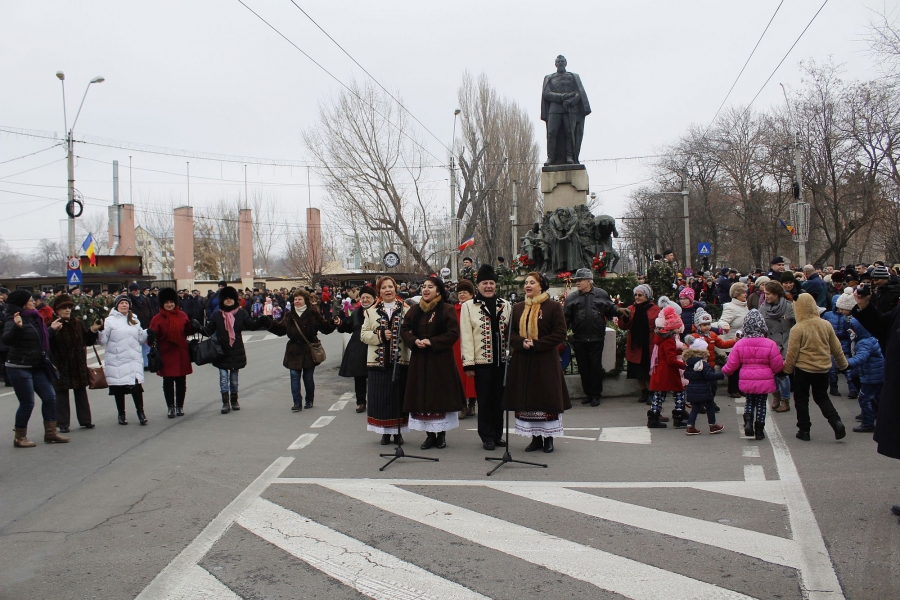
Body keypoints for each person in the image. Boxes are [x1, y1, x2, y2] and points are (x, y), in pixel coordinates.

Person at [504, 272, 571, 453]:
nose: (528, 285)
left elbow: (560, 333)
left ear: (541, 286)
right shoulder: (518, 308)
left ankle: (548, 438)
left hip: (545, 360)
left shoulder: (553, 307)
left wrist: (538, 343)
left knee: (546, 396)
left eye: (532, 282)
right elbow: (509, 333)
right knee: (528, 398)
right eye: (526, 283)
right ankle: (535, 438)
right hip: (523, 360)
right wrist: (521, 342)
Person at [400, 276, 465, 450]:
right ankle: (429, 435)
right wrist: (414, 341)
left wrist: (432, 342)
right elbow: (404, 330)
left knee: (439, 396)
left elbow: (453, 333)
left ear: (438, 290)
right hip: (420, 359)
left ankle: (441, 435)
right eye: (424, 286)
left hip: (440, 360)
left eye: (430, 287)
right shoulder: (414, 310)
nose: (426, 289)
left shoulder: (447, 309)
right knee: (423, 396)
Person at [4, 289, 68, 447]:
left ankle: (51, 433)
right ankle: (20, 437)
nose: (33, 301)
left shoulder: (33, 317)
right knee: (27, 403)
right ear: (23, 303)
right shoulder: (14, 319)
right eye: (30, 299)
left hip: (37, 365)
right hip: (19, 366)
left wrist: (51, 329)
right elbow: (7, 340)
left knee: (50, 397)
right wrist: (17, 327)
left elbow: (38, 336)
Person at [782, 294, 849, 441]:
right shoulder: (825, 324)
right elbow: (836, 348)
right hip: (823, 368)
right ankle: (836, 422)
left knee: (801, 399)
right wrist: (843, 365)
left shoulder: (798, 328)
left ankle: (804, 430)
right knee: (822, 397)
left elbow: (792, 353)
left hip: (803, 369)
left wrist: (786, 370)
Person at [460, 265, 514, 450]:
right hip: (482, 362)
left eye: (491, 283)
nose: (488, 286)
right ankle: (487, 436)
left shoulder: (505, 305)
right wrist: (468, 363)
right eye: (485, 283)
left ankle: (498, 434)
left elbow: (509, 333)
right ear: (478, 285)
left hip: (501, 361)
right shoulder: (469, 306)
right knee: (485, 400)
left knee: (499, 400)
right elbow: (466, 336)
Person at [563, 267, 628, 407]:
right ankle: (588, 393)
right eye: (576, 281)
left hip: (596, 337)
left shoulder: (601, 294)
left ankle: (596, 394)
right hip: (579, 338)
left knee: (595, 366)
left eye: (580, 280)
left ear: (589, 281)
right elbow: (566, 318)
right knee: (583, 367)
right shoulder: (572, 298)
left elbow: (610, 307)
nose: (577, 283)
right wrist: (562, 332)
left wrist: (618, 310)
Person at [360, 276, 410, 445]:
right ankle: (384, 433)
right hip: (377, 362)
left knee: (398, 397)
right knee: (380, 398)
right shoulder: (370, 311)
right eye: (384, 287)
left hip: (400, 361)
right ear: (379, 291)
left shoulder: (407, 309)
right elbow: (363, 335)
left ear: (396, 289)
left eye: (390, 287)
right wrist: (379, 335)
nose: (388, 290)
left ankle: (398, 432)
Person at [722, 309, 784, 440]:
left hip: (746, 379)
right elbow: (777, 364)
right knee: (761, 404)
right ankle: (760, 430)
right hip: (764, 379)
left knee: (749, 402)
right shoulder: (770, 344)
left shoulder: (740, 344)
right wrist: (781, 372)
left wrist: (725, 372)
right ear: (762, 325)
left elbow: (732, 363)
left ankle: (748, 423)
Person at [269, 288, 334, 411]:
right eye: (295, 299)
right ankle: (297, 403)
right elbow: (280, 330)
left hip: (309, 349)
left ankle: (309, 400)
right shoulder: (289, 315)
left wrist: (333, 323)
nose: (297, 301)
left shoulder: (313, 314)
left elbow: (325, 328)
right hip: (293, 350)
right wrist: (269, 324)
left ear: (305, 301)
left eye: (299, 299)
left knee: (308, 377)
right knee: (294, 376)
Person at [204, 286, 265, 414]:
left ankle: (234, 400)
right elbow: (208, 330)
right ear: (222, 301)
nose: (228, 301)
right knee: (223, 377)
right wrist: (197, 327)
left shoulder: (241, 313)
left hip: (236, 349)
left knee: (234, 378)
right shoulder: (217, 314)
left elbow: (251, 325)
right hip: (220, 350)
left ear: (235, 300)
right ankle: (225, 403)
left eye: (231, 298)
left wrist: (261, 321)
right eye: (226, 299)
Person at [49, 294, 102, 432]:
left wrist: (93, 330)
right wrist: (52, 331)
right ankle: (63, 424)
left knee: (81, 392)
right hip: (61, 365)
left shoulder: (77, 323)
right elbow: (46, 344)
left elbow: (87, 340)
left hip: (78, 364)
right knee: (61, 395)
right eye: (64, 308)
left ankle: (85, 420)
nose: (67, 310)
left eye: (69, 307)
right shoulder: (51, 324)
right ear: (57, 310)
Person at [99, 294, 149, 426]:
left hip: (133, 359)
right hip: (117, 360)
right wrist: (99, 330)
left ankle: (141, 413)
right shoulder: (109, 321)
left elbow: (140, 339)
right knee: (119, 389)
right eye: (121, 303)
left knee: (137, 388)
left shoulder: (134, 320)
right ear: (116, 306)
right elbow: (102, 340)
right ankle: (121, 414)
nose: (124, 305)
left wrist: (147, 333)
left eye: (126, 303)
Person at [148, 288, 196, 418]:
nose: (169, 304)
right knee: (168, 382)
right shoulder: (157, 319)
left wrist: (194, 327)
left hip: (181, 352)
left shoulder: (182, 315)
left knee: (181, 381)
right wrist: (151, 337)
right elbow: (150, 340)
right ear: (162, 304)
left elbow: (187, 331)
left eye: (171, 302)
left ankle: (180, 406)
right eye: (166, 302)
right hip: (166, 353)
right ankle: (170, 406)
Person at [336, 285, 376, 413]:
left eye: (368, 297)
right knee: (359, 377)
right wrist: (340, 323)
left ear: (374, 299)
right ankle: (360, 402)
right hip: (358, 348)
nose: (365, 300)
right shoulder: (356, 312)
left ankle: (375, 402)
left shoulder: (378, 311)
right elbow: (348, 326)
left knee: (375, 377)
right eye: (362, 297)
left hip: (373, 347)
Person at [618, 283, 659, 405]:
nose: (637, 297)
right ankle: (644, 391)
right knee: (638, 371)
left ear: (647, 296)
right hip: (636, 345)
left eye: (640, 295)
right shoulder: (631, 309)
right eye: (635, 295)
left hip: (650, 344)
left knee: (650, 369)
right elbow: (623, 326)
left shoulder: (655, 309)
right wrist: (624, 319)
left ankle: (652, 392)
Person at [647, 305, 687, 429]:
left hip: (659, 370)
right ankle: (679, 417)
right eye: (677, 327)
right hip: (668, 372)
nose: (679, 329)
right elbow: (671, 359)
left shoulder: (660, 338)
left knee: (659, 395)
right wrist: (684, 365)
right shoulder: (669, 341)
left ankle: (653, 417)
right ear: (672, 327)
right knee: (679, 393)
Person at [759, 281, 795, 413]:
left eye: (768, 294)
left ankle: (785, 401)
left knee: (782, 374)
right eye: (765, 293)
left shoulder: (789, 306)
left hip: (785, 343)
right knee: (771, 374)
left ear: (776, 294)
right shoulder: (763, 308)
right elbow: (760, 325)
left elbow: (797, 323)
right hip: (770, 344)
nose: (765, 296)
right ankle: (776, 395)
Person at [845, 317, 883, 433]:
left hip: (871, 376)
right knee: (878, 398)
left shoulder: (864, 343)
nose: (851, 332)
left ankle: (868, 423)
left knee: (864, 398)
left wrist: (846, 364)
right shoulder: (870, 339)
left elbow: (861, 357)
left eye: (852, 330)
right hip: (877, 374)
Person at [682, 337, 725, 435]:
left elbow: (686, 375)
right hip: (704, 389)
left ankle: (690, 426)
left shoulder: (689, 364)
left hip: (692, 389)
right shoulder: (703, 364)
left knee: (695, 408)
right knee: (709, 407)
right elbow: (709, 376)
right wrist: (722, 375)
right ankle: (712, 425)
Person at [715, 282, 749, 398]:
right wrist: (725, 326)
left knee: (743, 367)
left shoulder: (745, 306)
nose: (745, 294)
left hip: (744, 342)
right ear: (736, 294)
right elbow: (722, 320)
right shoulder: (730, 307)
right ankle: (733, 389)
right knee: (735, 367)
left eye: (745, 292)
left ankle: (741, 388)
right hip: (733, 342)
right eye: (743, 292)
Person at [453, 279, 478, 420]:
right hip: (456, 346)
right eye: (460, 292)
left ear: (472, 294)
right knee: (459, 376)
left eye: (465, 292)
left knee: (472, 377)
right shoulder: (453, 309)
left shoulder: (476, 308)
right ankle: (462, 405)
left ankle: (472, 404)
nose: (462, 295)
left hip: (472, 345)